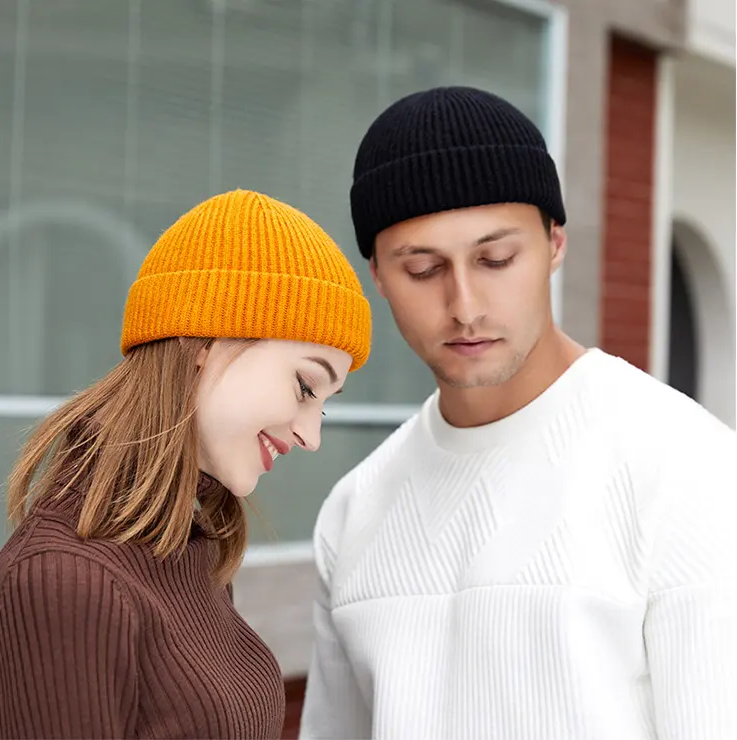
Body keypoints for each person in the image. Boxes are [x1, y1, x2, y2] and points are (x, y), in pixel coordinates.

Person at [298, 86, 736, 740]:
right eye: (422, 269)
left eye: (496, 259)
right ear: (379, 276)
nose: (465, 303)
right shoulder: (356, 508)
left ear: (555, 244)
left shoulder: (684, 466)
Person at [0, 189, 371, 739]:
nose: (310, 435)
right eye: (304, 385)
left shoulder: (187, 549)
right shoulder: (62, 582)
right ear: (206, 343)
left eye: (324, 403)